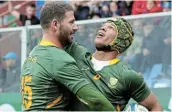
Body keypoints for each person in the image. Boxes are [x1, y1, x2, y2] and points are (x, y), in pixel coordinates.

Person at [21, 1, 115, 111]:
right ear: (55, 24)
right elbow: (96, 101)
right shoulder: (57, 58)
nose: (76, 27)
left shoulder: (33, 54)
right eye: (71, 22)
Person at [65, 18, 162, 111]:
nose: (102, 28)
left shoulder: (127, 75)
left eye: (111, 27)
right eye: (103, 25)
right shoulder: (77, 53)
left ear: (119, 40)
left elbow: (156, 107)